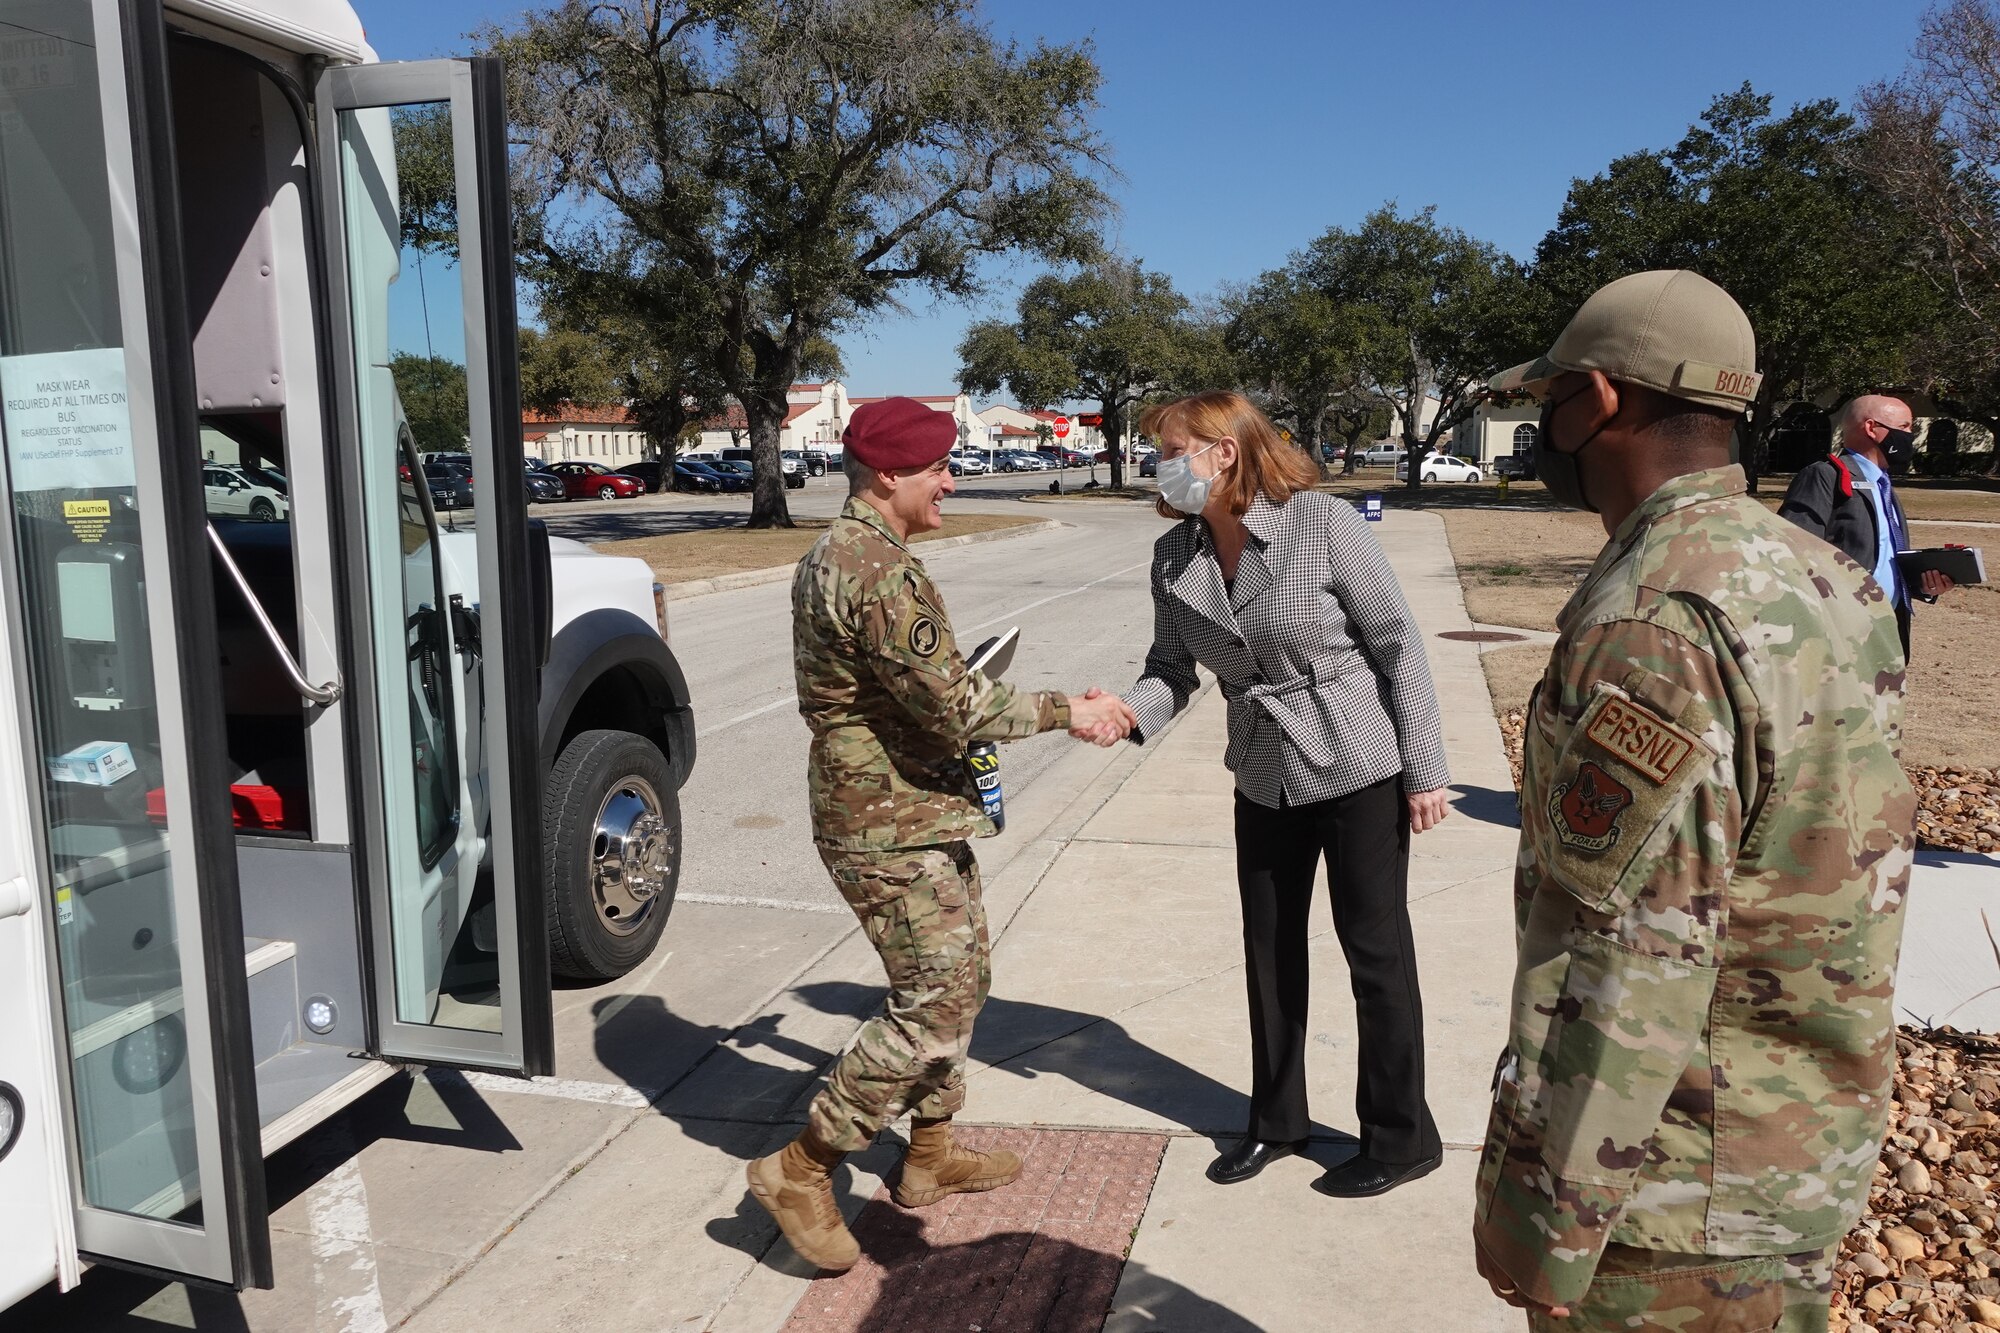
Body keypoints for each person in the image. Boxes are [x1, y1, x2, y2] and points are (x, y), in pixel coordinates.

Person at [1473, 270, 1916, 1332]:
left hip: (1668, 1202)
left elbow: (1629, 950)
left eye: (1547, 405)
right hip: (1792, 1146)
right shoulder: (1823, 578)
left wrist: (1550, 1216)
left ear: (1598, 400)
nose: (1544, 431)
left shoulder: (1653, 622)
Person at [746, 396, 1132, 1273]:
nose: (950, 484)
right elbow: (955, 704)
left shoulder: (851, 552)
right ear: (889, 477)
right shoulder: (877, 569)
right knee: (932, 1000)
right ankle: (802, 1168)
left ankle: (928, 1153)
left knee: (964, 978)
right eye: (936, 471)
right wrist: (1074, 710)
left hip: (912, 808)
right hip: (887, 822)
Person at [1103, 389, 1453, 1200]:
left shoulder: (1321, 524)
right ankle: (1277, 1121)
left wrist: (1426, 769)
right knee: (1269, 949)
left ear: (1223, 452)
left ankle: (1403, 1136)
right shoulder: (1173, 558)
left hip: (1357, 758)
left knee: (1375, 949)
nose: (1161, 464)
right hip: (1262, 767)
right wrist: (1125, 714)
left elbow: (1396, 642)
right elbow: (1169, 670)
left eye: (1171, 448)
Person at [1778, 394, 1954, 659]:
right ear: (1872, 428)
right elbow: (1793, 554)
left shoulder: (1883, 485)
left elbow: (1883, 557)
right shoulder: (1826, 475)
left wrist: (1923, 585)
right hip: (1842, 633)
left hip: (1887, 629)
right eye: (1905, 427)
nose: (1911, 435)